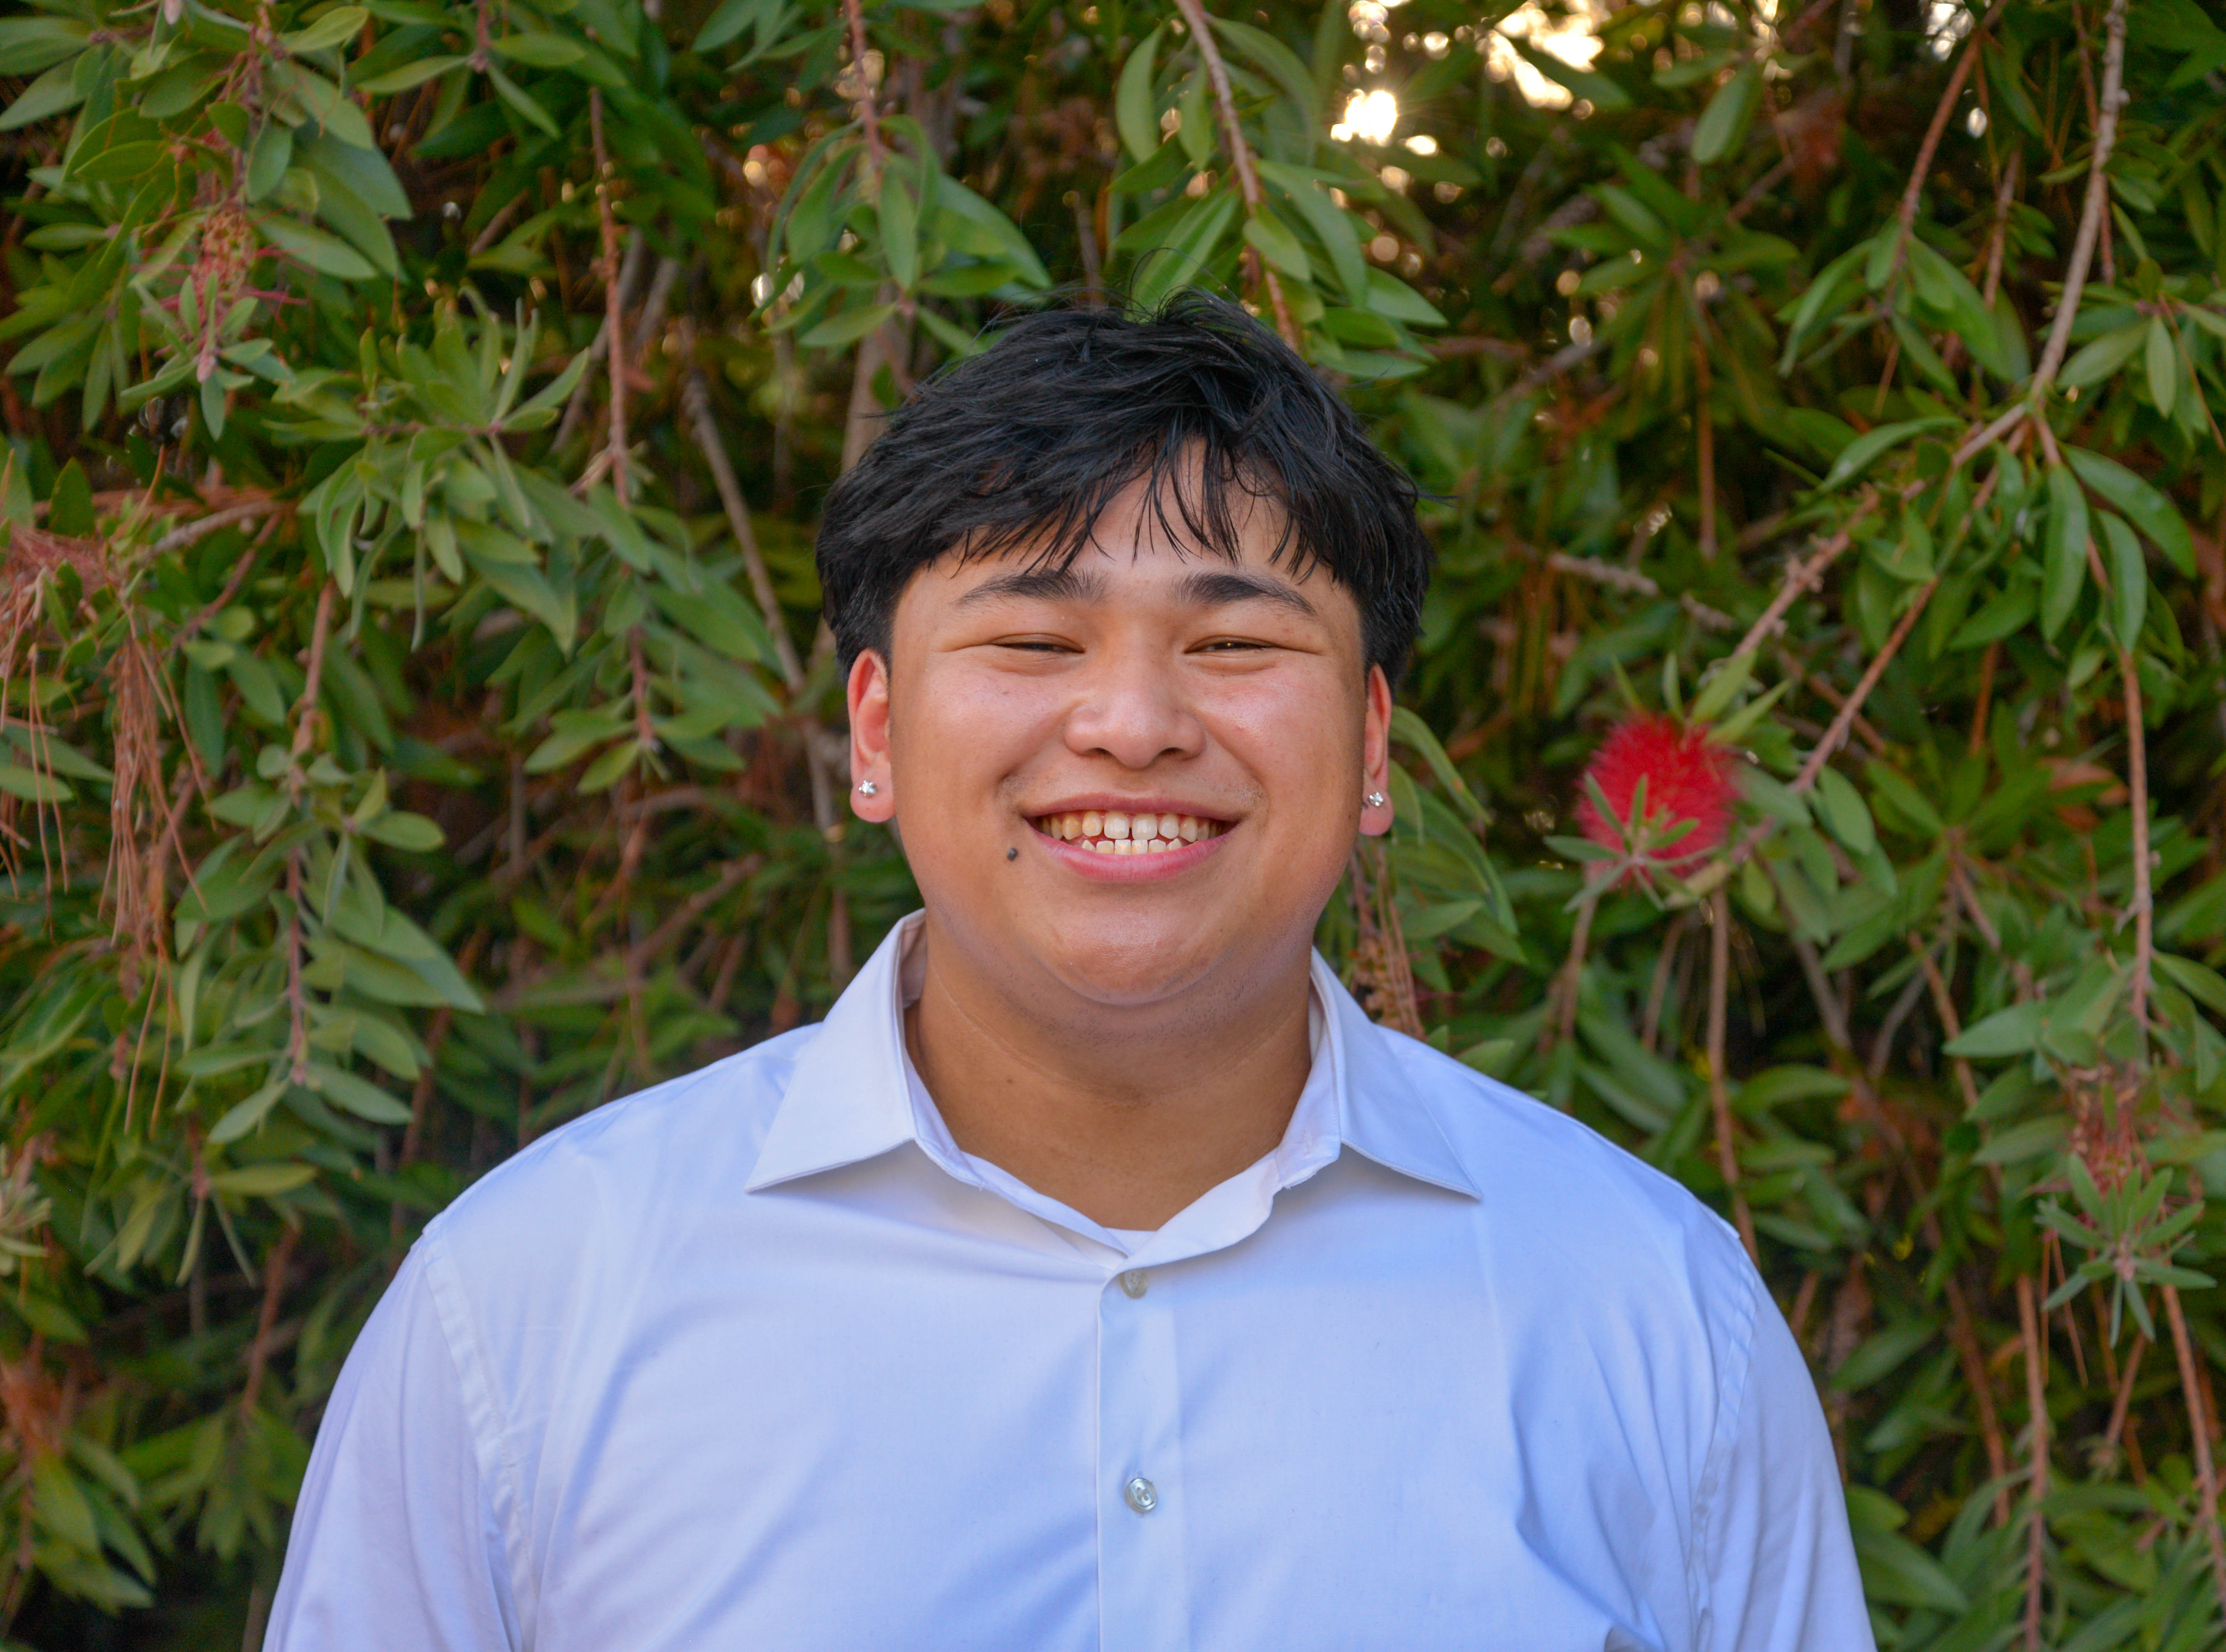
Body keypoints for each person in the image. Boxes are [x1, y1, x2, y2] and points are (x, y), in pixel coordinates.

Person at [265, 293, 1871, 1651]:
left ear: (1374, 744)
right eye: (1035, 641)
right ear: (876, 732)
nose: (1132, 723)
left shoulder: (1649, 1311)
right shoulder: (532, 1303)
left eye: (1233, 644)